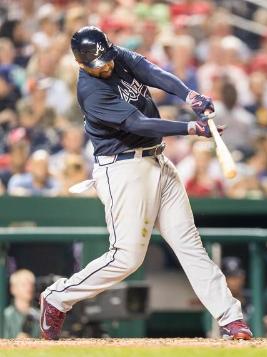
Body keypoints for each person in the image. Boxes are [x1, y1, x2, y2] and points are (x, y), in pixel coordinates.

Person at [39, 26, 252, 341]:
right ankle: (56, 298)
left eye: (108, 59)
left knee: (189, 244)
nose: (107, 66)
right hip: (123, 169)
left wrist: (189, 95)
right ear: (81, 63)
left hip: (158, 161)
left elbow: (152, 72)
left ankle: (232, 319)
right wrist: (191, 128)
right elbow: (137, 122)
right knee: (126, 258)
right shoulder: (91, 90)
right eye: (99, 65)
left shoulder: (115, 55)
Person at [3, 269, 40, 338]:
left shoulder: (40, 316)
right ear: (13, 289)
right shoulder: (5, 316)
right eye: (24, 285)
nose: (29, 288)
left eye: (31, 284)